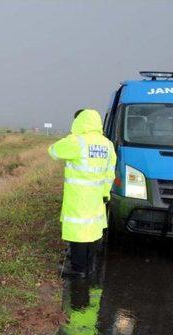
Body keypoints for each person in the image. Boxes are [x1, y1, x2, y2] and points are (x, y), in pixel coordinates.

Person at [48, 109, 116, 277]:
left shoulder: (77, 142)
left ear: (80, 122)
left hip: (78, 196)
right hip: (97, 196)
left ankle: (78, 269)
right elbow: (110, 173)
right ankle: (89, 267)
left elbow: (54, 151)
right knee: (92, 231)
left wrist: (72, 136)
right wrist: (105, 193)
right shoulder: (107, 144)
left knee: (78, 231)